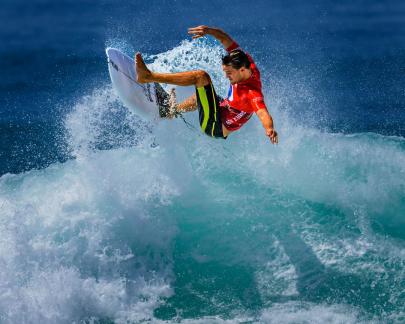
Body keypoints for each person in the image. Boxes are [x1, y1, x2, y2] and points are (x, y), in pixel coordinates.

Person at [135, 25, 278, 144]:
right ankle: (171, 112)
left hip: (214, 125)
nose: (226, 76)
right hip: (223, 109)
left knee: (201, 77)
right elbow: (224, 38)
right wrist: (208, 31)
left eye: (229, 73)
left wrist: (269, 129)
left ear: (242, 70)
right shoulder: (244, 61)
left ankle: (148, 76)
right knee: (204, 95)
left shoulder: (252, 93)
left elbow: (263, 113)